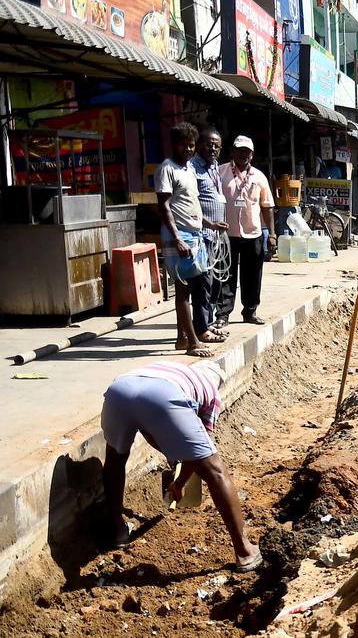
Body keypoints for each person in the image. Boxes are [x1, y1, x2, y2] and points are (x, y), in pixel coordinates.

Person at [100, 360, 261, 571]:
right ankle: (245, 551)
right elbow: (199, 456)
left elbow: (148, 428)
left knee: (115, 459)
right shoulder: (211, 394)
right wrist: (181, 480)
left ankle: (118, 531)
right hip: (162, 396)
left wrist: (174, 459)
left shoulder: (174, 370)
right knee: (216, 471)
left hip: (118, 392)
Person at [156, 122, 212, 358]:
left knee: (191, 287)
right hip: (180, 235)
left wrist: (209, 224)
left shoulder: (189, 169)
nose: (188, 150)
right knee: (183, 291)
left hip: (194, 234)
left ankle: (182, 337)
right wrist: (178, 238)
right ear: (174, 145)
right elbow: (164, 205)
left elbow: (191, 202)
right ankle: (192, 343)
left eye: (191, 145)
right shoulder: (167, 168)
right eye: (184, 145)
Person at [217, 136, 275, 326]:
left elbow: (267, 206)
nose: (243, 154)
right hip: (227, 234)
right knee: (226, 274)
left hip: (253, 233)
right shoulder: (220, 173)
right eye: (240, 150)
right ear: (233, 151)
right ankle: (223, 314)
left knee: (253, 274)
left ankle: (250, 312)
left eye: (247, 151)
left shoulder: (259, 176)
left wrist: (272, 234)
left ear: (252, 154)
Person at [190, 129, 230, 338]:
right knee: (203, 283)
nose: (212, 148)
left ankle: (208, 321)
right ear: (199, 145)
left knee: (216, 282)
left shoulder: (214, 167)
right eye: (209, 144)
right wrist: (210, 224)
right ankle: (201, 329)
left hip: (216, 237)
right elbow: (190, 205)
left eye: (216, 145)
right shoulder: (192, 168)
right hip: (202, 235)